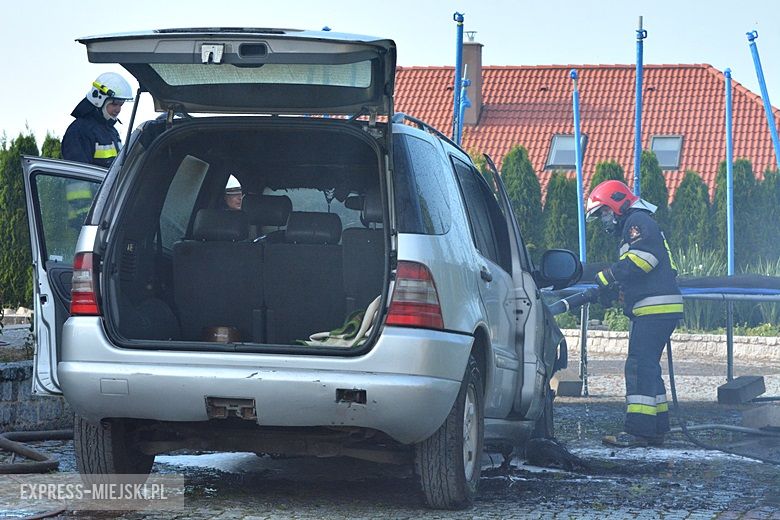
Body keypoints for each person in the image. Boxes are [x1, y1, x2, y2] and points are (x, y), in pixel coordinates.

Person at [585, 180, 683, 448]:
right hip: (658, 307)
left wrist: (608, 275)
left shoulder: (637, 221)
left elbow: (643, 260)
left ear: (617, 203)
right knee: (649, 367)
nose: (604, 220)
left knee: (639, 367)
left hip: (656, 308)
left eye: (604, 213)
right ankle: (657, 428)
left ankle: (638, 431)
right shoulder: (638, 222)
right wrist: (620, 289)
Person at [62, 72, 133, 168]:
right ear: (99, 100)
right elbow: (79, 176)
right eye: (114, 104)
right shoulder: (79, 131)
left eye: (121, 105)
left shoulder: (111, 131)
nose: (118, 109)